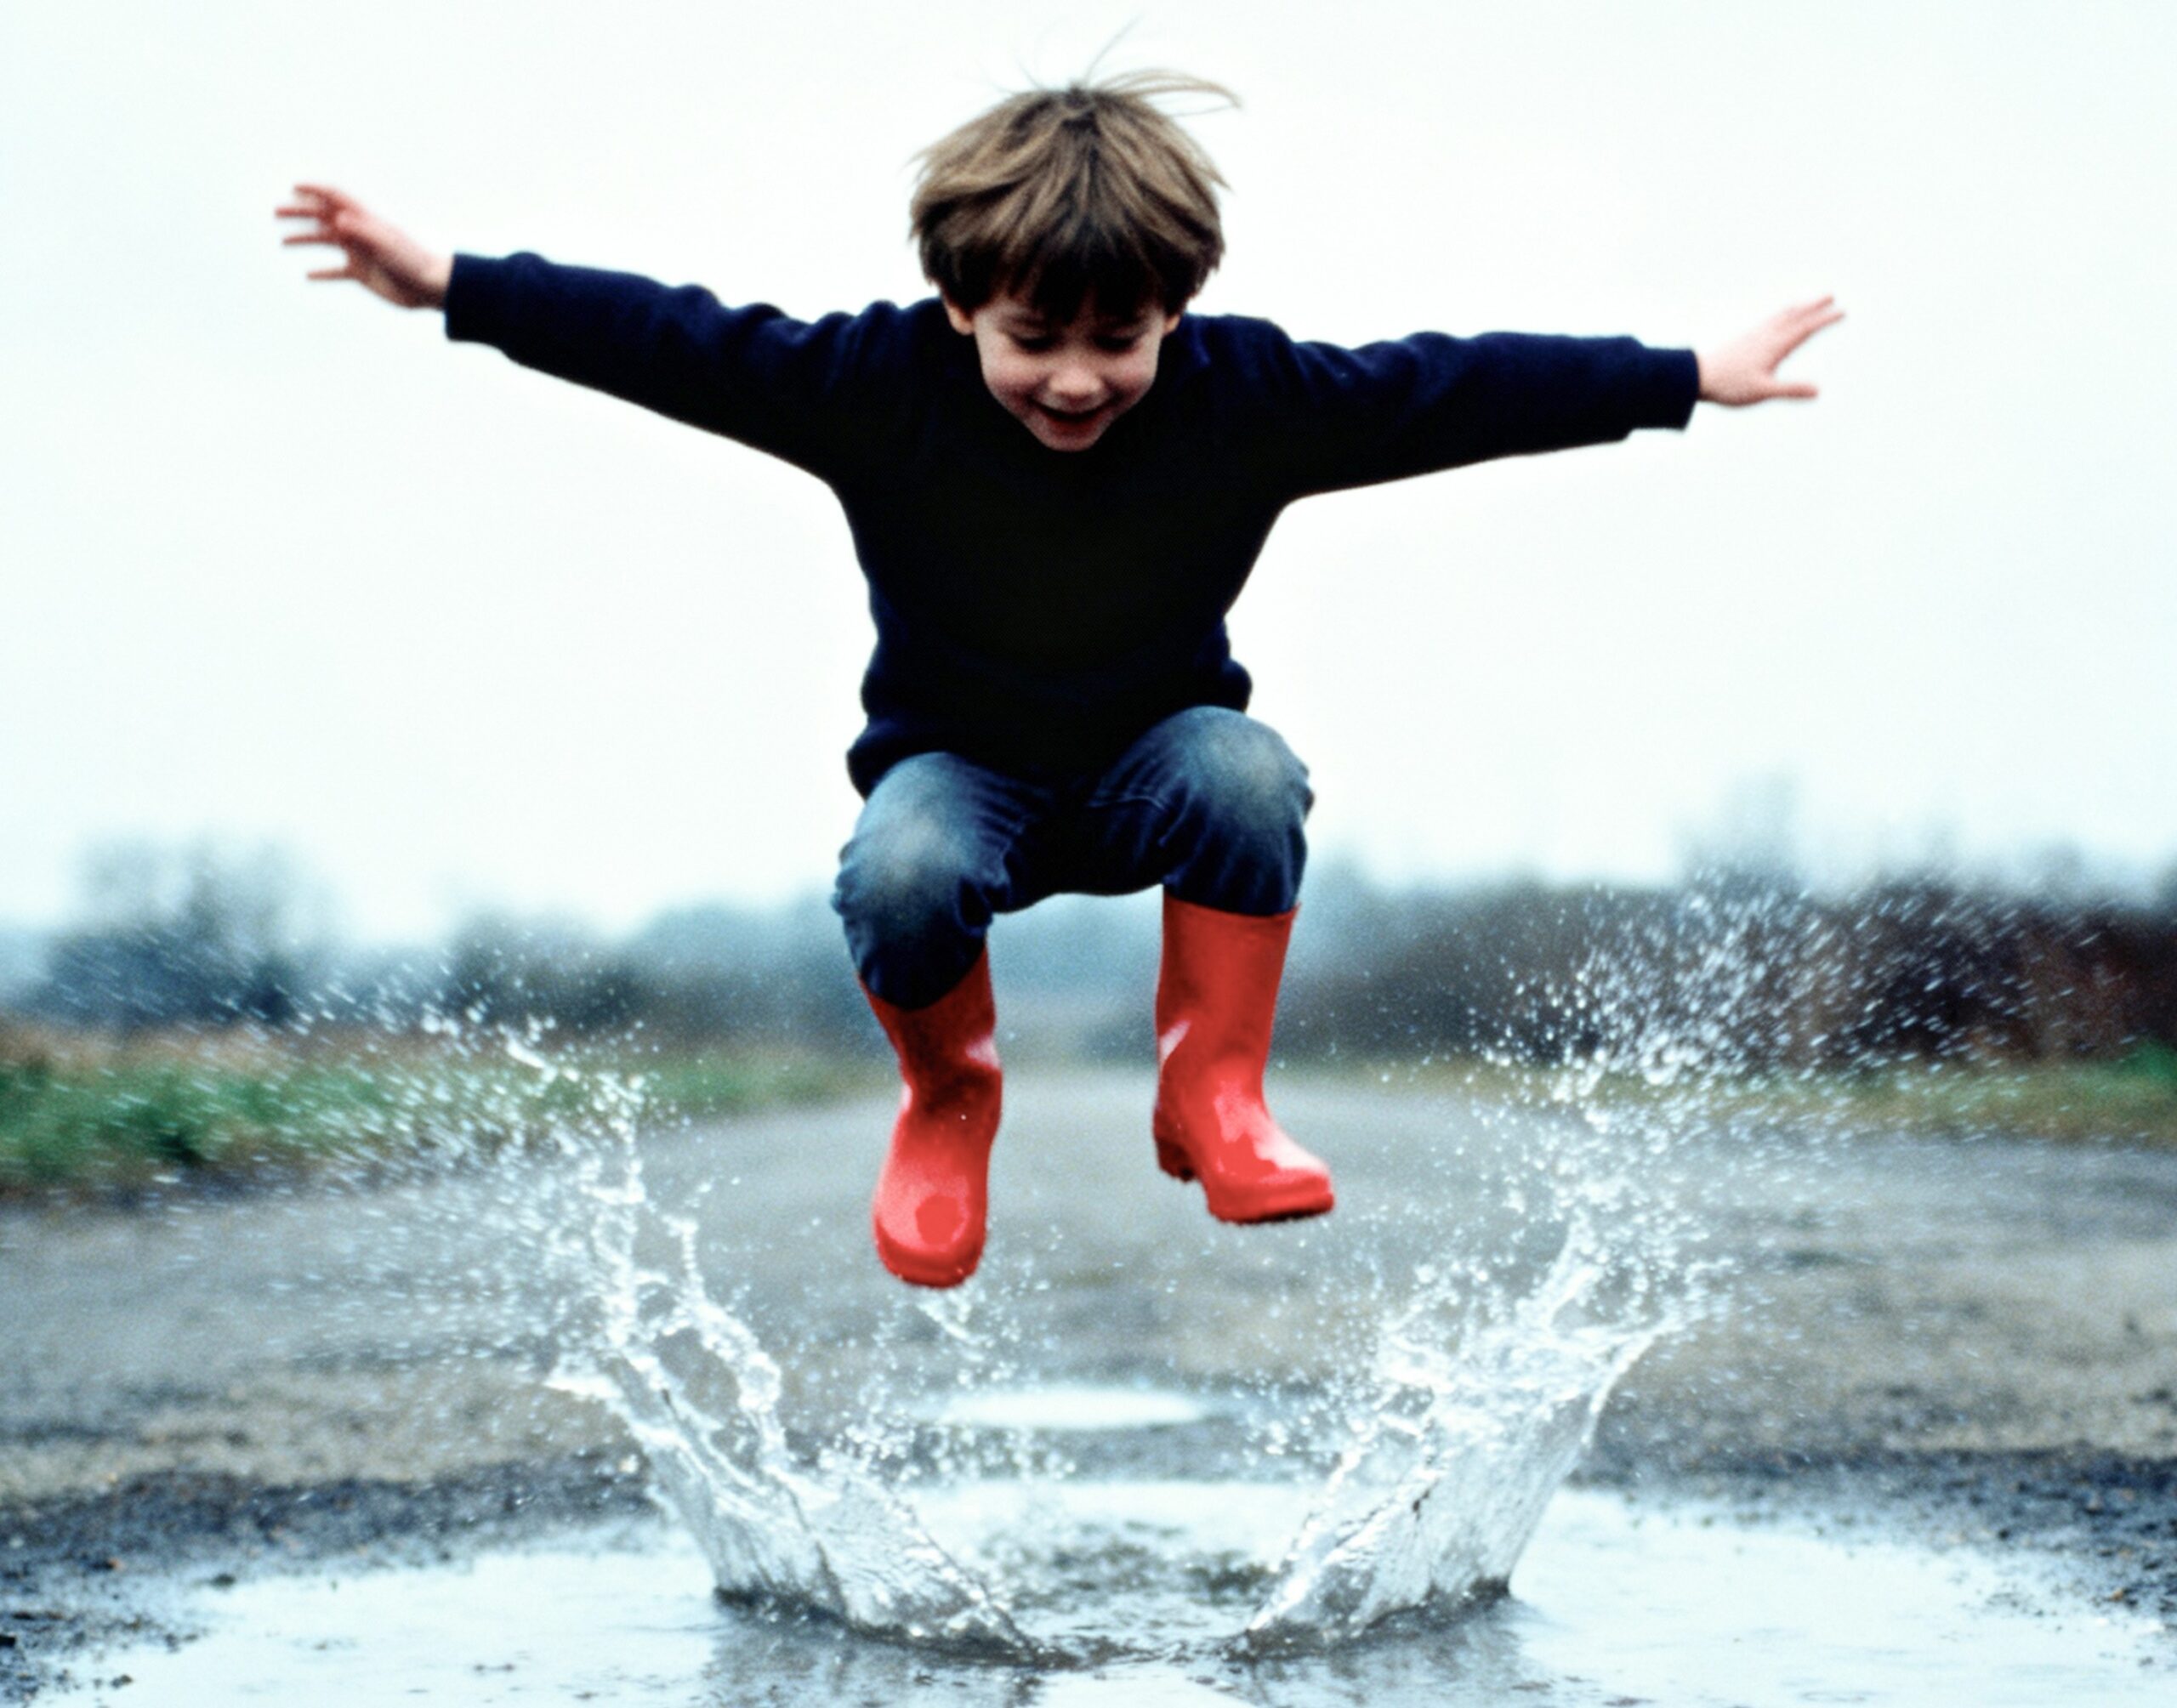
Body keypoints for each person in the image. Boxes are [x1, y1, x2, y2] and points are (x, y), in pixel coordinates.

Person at [277, 71, 1839, 1291]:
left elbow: (1452, 387)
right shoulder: (873, 386)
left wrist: (1679, 378)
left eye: (1120, 337)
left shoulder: (1245, 396)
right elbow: (670, 339)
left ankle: (1214, 1090)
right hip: (963, 780)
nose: (1078, 377)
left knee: (1250, 771)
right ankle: (949, 1101)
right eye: (1034, 337)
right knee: (899, 865)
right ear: (960, 302)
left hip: (1159, 768)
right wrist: (456, 284)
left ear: (1178, 309)